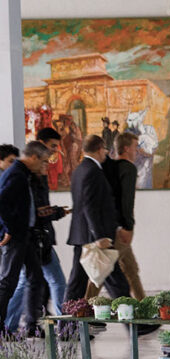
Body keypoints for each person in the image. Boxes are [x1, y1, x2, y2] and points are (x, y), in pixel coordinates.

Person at [0, 142, 56, 333]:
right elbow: (1, 202)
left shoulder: (24, 174)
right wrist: (8, 228)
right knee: (8, 282)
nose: (43, 166)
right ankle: (2, 328)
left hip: (26, 235)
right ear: (33, 157)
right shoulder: (16, 174)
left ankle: (31, 325)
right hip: (15, 236)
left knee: (36, 278)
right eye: (43, 161)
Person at [65, 136, 128, 303]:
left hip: (83, 235)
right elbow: (89, 206)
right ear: (100, 149)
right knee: (117, 284)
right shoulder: (93, 171)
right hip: (94, 238)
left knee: (77, 284)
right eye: (105, 150)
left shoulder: (79, 169)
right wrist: (99, 236)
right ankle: (136, 324)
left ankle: (66, 325)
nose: (105, 154)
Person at [102, 132, 147, 301]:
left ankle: (143, 306)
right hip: (121, 230)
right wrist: (127, 227)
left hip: (113, 226)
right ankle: (82, 308)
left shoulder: (112, 167)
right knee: (102, 270)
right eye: (136, 147)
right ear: (126, 148)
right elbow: (127, 201)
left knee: (131, 269)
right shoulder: (128, 168)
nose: (137, 151)